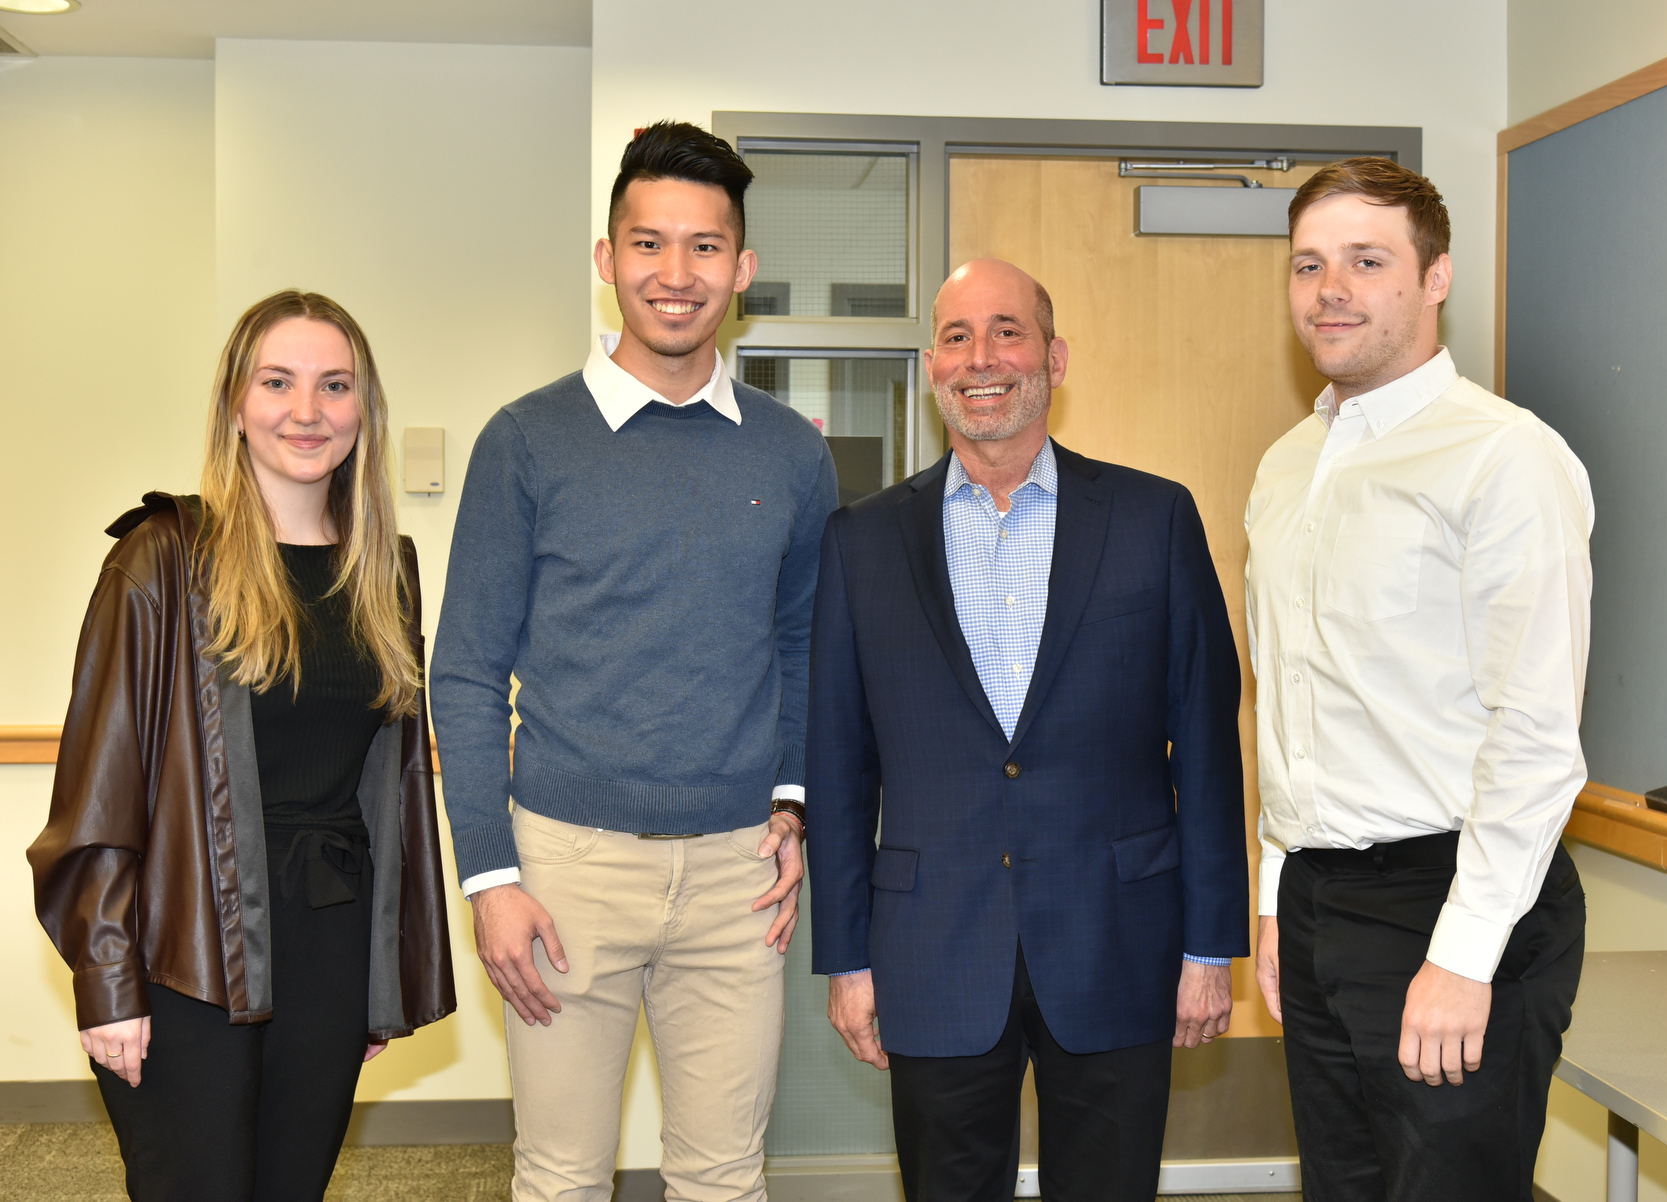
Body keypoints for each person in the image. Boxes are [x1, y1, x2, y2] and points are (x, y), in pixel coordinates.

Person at [430, 121, 836, 1201]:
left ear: (742, 271)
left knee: (722, 1175)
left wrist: (793, 800)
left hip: (736, 876)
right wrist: (491, 876)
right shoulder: (525, 440)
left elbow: (803, 641)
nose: (676, 272)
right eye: (648, 244)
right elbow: (465, 671)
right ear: (607, 259)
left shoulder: (792, 452)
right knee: (560, 1175)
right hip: (564, 869)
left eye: (705, 247)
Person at [807, 258, 1248, 1202]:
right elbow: (840, 770)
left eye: (1006, 331)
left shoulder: (1153, 518)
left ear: (1054, 357)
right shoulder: (863, 541)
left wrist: (1211, 949)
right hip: (932, 948)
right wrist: (846, 959)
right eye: (958, 337)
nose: (982, 359)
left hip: (1118, 941)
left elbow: (1207, 747)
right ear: (932, 365)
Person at [29, 290, 456, 1202]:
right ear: (235, 403)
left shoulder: (388, 571)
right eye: (278, 382)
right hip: (186, 949)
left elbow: (388, 793)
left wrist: (375, 974)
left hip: (328, 945)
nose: (307, 411)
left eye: (334, 386)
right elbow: (97, 791)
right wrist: (109, 984)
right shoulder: (161, 557)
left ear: (362, 411)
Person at [1245, 158, 1593, 1202]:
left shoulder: (1503, 458)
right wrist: (1274, 898)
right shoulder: (1285, 465)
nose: (1330, 289)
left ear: (1435, 278)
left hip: (1450, 896)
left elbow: (1535, 733)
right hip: (1315, 902)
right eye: (1309, 264)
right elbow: (1287, 699)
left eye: (1366, 260)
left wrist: (1465, 951)